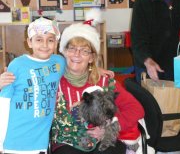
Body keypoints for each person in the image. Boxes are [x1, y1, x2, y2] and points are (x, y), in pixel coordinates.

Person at [50, 21, 145, 154]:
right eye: (72, 48)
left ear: (91, 58)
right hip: (67, 143)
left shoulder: (105, 82)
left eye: (84, 51)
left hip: (103, 141)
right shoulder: (52, 82)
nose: (77, 54)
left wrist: (110, 127)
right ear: (64, 52)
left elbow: (136, 109)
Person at [0, 17, 66, 154]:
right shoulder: (17, 65)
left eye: (50, 40)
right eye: (39, 39)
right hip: (14, 141)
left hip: (41, 143)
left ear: (56, 43)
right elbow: (4, 102)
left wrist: (95, 69)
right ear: (29, 42)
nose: (45, 45)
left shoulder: (59, 62)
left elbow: (76, 69)